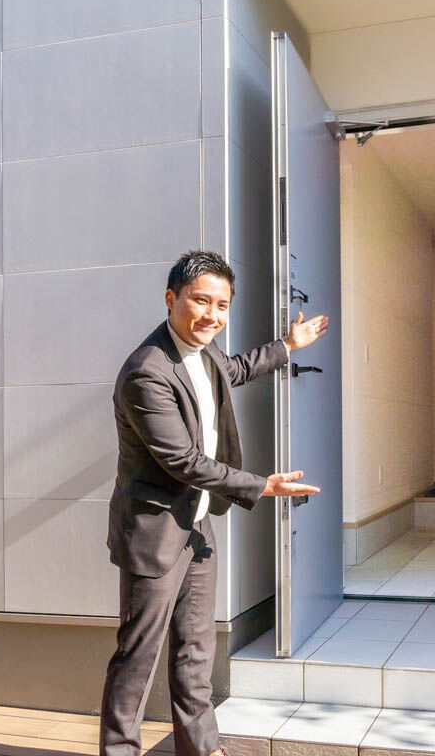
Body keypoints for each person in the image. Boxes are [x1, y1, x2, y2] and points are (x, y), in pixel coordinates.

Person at [100, 250, 328, 756]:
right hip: (155, 534)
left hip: (197, 527)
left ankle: (201, 749)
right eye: (201, 301)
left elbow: (236, 368)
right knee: (138, 659)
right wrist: (261, 485)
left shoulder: (205, 353)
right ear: (171, 298)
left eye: (222, 305)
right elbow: (182, 461)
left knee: (196, 652)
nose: (212, 315)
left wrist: (288, 345)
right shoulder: (147, 372)